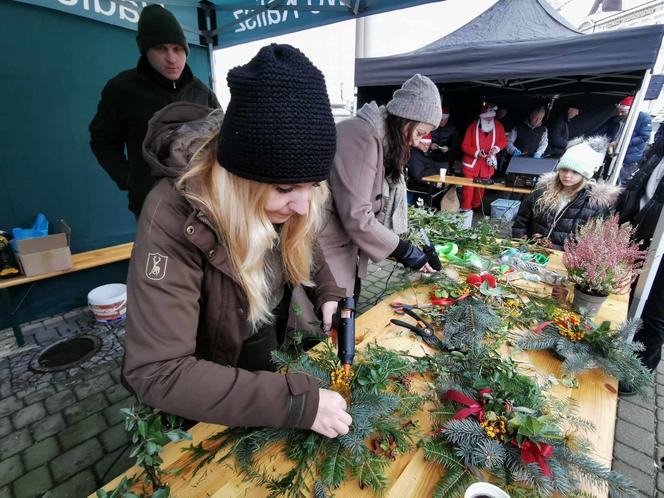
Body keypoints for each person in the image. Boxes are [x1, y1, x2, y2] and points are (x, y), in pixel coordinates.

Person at [123, 44, 352, 438]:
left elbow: (301, 238)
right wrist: (292, 402)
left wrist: (327, 292)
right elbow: (158, 370)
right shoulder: (172, 215)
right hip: (198, 374)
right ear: (238, 182)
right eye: (284, 188)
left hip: (258, 334)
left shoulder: (288, 202)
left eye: (312, 186)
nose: (301, 205)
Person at [318, 74, 442, 298]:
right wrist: (406, 252)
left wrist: (404, 249)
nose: (417, 141)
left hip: (343, 249)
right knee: (324, 327)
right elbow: (357, 215)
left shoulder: (378, 139)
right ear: (405, 118)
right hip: (326, 253)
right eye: (419, 132)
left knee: (339, 320)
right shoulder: (362, 136)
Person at [89, 4, 220, 217]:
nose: (171, 58)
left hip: (201, 205)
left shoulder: (202, 93)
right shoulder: (121, 89)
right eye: (161, 48)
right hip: (151, 207)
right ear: (145, 50)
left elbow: (220, 144)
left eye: (177, 49)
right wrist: (130, 179)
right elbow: (102, 141)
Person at [616, 134, 664, 390]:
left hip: (661, 242)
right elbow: (640, 188)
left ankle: (639, 370)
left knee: (655, 311)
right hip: (642, 232)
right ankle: (619, 352)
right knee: (629, 295)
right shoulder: (658, 147)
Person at [512, 137, 620, 249]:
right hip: (531, 254)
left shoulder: (595, 205)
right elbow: (521, 222)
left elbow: (596, 240)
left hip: (564, 262)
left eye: (574, 171)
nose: (567, 175)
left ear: (585, 175)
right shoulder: (541, 193)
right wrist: (521, 245)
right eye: (564, 169)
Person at [460, 103, 507, 211]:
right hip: (472, 164)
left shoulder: (498, 126)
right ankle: (465, 209)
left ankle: (476, 208)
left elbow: (503, 141)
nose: (489, 120)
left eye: (491, 117)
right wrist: (477, 153)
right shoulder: (472, 126)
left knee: (481, 188)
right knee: (468, 188)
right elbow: (464, 146)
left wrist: (495, 149)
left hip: (486, 165)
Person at [406, 134, 443, 207]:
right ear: (418, 142)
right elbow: (418, 176)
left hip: (428, 183)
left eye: (428, 145)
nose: (426, 147)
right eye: (424, 144)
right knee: (440, 195)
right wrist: (434, 182)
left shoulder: (424, 153)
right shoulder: (415, 155)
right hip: (421, 186)